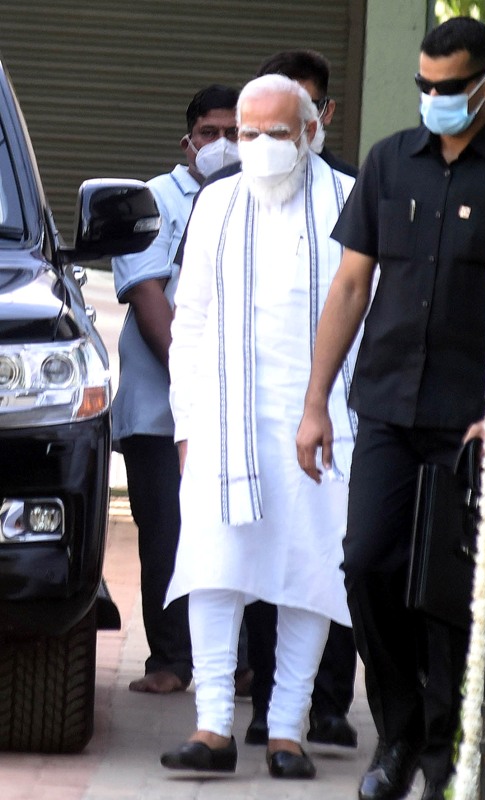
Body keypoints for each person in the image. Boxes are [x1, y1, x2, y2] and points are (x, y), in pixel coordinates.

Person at [296, 17, 485, 800]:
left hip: (472, 424)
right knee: (367, 565)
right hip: (388, 406)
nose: (432, 99)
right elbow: (351, 287)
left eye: (448, 88)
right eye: (422, 87)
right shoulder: (389, 161)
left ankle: (440, 753)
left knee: (448, 593)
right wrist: (314, 402)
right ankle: (394, 735)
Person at [160, 74, 359, 780]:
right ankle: (212, 725)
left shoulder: (345, 200)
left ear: (312, 132)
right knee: (216, 570)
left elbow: (365, 310)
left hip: (323, 419)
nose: (261, 147)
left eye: (277, 133)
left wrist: (347, 413)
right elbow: (192, 322)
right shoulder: (215, 203)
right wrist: (187, 427)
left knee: (307, 570)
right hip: (223, 420)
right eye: (247, 134)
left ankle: (286, 729)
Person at [111, 84, 239, 695]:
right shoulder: (153, 199)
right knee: (166, 531)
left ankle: (240, 664)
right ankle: (168, 661)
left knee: (237, 531)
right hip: (161, 408)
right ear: (186, 141)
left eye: (235, 133)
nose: (222, 145)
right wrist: (197, 378)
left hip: (236, 405)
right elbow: (146, 292)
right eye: (210, 133)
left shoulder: (258, 196)